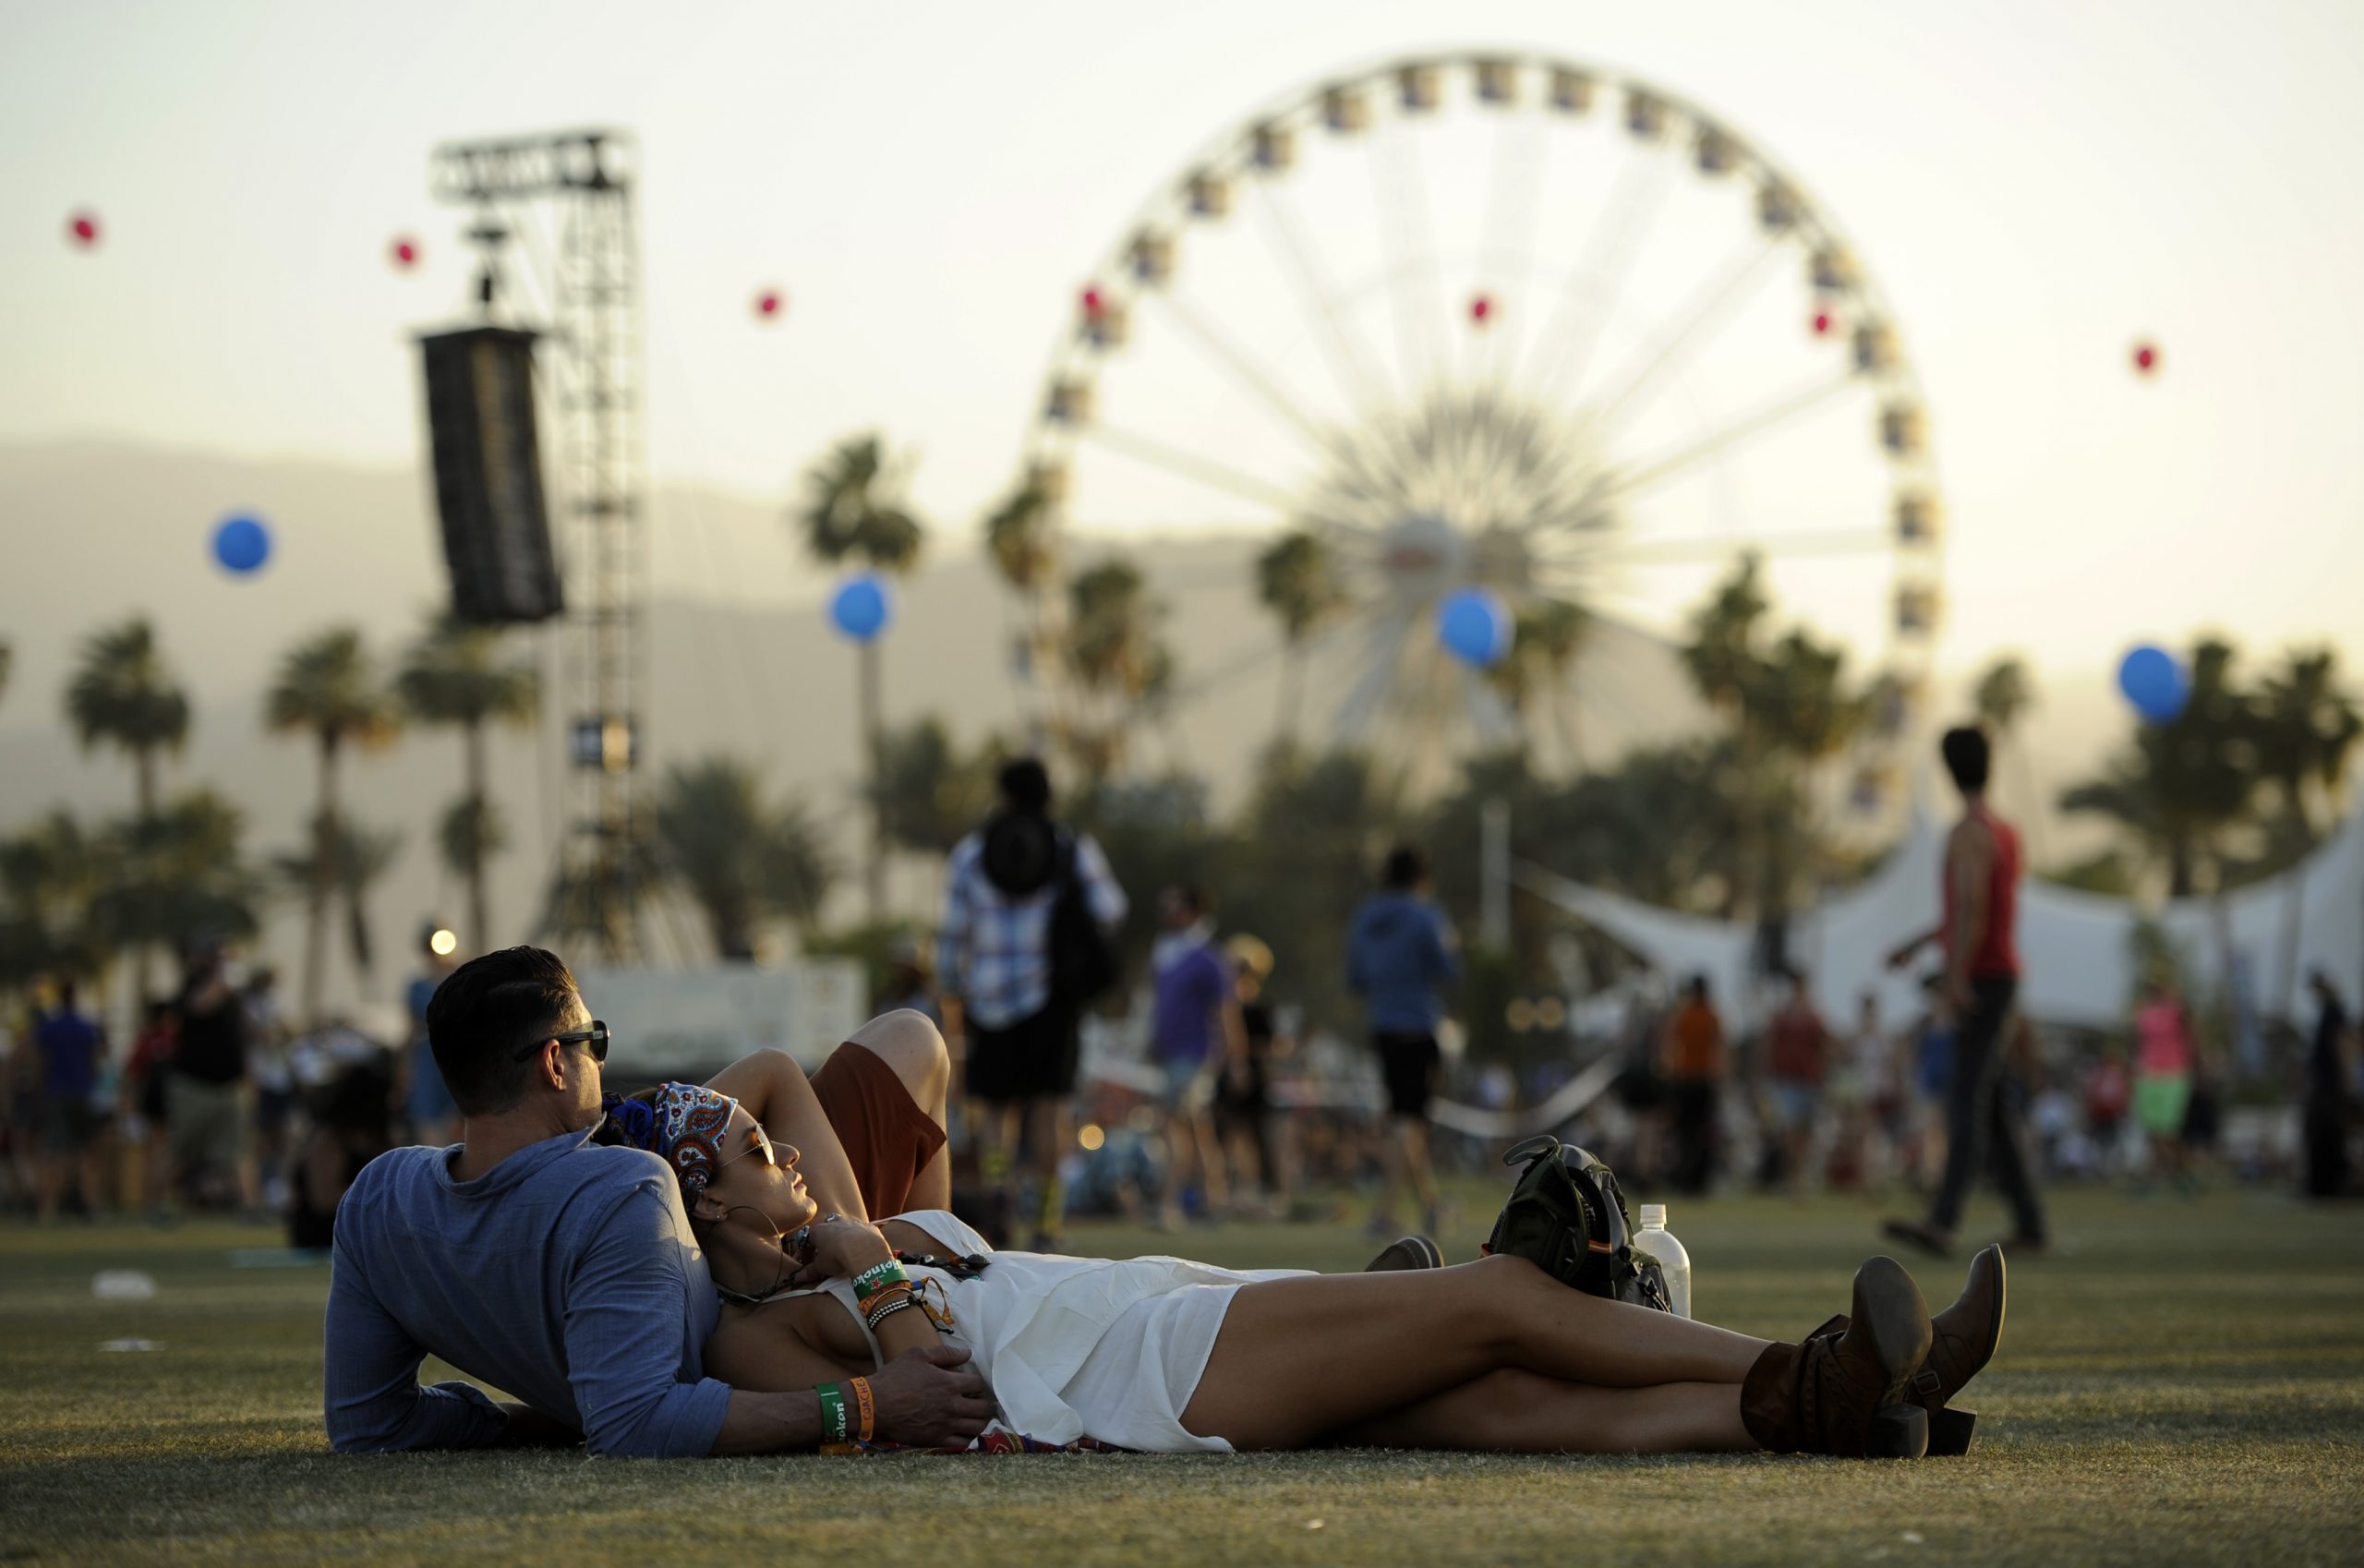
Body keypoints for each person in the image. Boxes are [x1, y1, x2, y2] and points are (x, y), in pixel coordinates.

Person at [635, 1076, 2010, 1458]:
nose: (796, 1153)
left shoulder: (817, 1223)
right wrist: (869, 1264)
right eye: (763, 1148)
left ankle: (1860, 1419)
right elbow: (926, 1395)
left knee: (1504, 1402)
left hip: (1161, 1305)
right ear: (701, 1195)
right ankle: (1824, 1368)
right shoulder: (760, 1325)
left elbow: (768, 1067)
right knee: (1500, 1303)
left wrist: (680, 1137)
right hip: (1132, 1375)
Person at [325, 946, 993, 1455]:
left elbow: (368, 1424)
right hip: (785, 1314)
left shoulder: (380, 1199)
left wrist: (522, 1414)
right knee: (913, 1039)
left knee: (908, 1043)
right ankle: (922, 1280)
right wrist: (871, 1404)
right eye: (598, 1044)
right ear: (555, 1064)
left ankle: (920, 1263)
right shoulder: (627, 1187)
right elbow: (635, 1422)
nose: (605, 1065)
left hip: (754, 1279)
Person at [936, 757, 1127, 1250]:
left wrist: (953, 986)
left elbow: (952, 936)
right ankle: (1047, 1220)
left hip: (989, 998)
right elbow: (1111, 907)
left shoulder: (973, 853)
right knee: (1050, 1112)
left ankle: (999, 1200)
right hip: (1052, 1002)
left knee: (997, 1113)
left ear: (1003, 795)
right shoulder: (1068, 846)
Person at [1883, 726, 2047, 1257]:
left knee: (1966, 1101)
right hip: (2000, 974)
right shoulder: (2004, 831)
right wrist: (1917, 943)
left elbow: (1972, 911)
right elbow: (1971, 913)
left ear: (1950, 770)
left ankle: (1944, 1221)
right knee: (1993, 1104)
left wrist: (1953, 981)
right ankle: (2030, 1224)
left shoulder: (1965, 833)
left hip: (1982, 978)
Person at [1346, 845, 1458, 1239]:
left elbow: (1355, 977)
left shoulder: (1365, 917)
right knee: (1409, 1121)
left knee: (1402, 1118)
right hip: (1418, 1022)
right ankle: (1382, 1212)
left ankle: (1431, 1206)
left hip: (1381, 1025)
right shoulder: (1426, 915)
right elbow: (1447, 967)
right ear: (1421, 877)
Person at [1148, 884, 1238, 1228]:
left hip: (1195, 1053)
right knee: (1196, 1129)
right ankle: (1215, 1200)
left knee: (1176, 1124)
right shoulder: (1168, 953)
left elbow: (1225, 1011)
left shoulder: (1208, 957)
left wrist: (1233, 1058)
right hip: (1173, 1053)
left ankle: (1170, 1203)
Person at [164, 944, 257, 1213]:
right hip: (195, 1086)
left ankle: (249, 1206)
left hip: (230, 1086)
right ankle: (157, 1203)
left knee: (239, 1150)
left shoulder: (232, 993)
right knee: (180, 1151)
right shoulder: (191, 985)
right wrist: (222, 976)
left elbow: (243, 1034)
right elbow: (202, 1005)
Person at [1213, 934, 1286, 1218]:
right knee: (1223, 1135)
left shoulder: (1259, 1008)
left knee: (1258, 1138)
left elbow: (1270, 1045)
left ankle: (1267, 1194)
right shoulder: (1224, 1006)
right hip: (1229, 1077)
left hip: (1254, 1079)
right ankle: (1226, 1192)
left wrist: (1246, 1056)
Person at [289, 1059, 393, 1250]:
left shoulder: (377, 1138)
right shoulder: (328, 1139)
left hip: (363, 1232)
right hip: (323, 1235)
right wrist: (378, 1202)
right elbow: (325, 1201)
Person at [33, 979, 105, 1223]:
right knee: (86, 1151)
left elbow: (39, 1062)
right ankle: (90, 1202)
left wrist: (40, 1087)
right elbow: (95, 1061)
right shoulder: (86, 1028)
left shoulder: (50, 1028)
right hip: (82, 1092)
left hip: (56, 1092)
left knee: (56, 1150)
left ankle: (49, 1207)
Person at [1764, 970, 1831, 1197]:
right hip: (1787, 1079)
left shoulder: (1813, 1017)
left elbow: (1824, 1045)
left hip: (1808, 1078)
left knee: (1805, 1130)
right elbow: (1771, 1044)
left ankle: (1800, 1176)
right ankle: (1794, 1177)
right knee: (1791, 1128)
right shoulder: (1782, 1016)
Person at [1659, 975, 1727, 1196]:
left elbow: (1669, 1045)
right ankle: (1699, 1178)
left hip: (1685, 1079)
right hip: (1702, 1079)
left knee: (1684, 1132)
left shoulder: (1683, 1014)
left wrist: (1669, 1072)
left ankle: (1685, 1177)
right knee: (1703, 1131)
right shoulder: (1710, 1015)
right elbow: (1720, 1048)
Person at [2131, 978, 2195, 1191]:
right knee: (2153, 1130)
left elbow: (2192, 1035)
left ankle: (2180, 1174)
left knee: (2169, 1130)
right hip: (2148, 1074)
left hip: (2174, 1073)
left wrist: (2198, 1064)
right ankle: (2159, 1176)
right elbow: (2138, 1042)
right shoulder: (2144, 1013)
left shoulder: (2178, 1010)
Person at [404, 924, 460, 1147]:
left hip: (455, 1055)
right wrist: (404, 1068)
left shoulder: (460, 979)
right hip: (427, 1056)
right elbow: (411, 1028)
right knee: (426, 1121)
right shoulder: (416, 986)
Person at [2301, 970, 2354, 1199]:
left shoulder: (2335, 1012)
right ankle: (2320, 1184)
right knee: (2317, 1132)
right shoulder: (2327, 1012)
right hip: (2322, 1083)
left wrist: (2346, 1079)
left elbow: (2342, 1045)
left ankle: (2330, 1184)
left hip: (2330, 1085)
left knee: (2328, 1132)